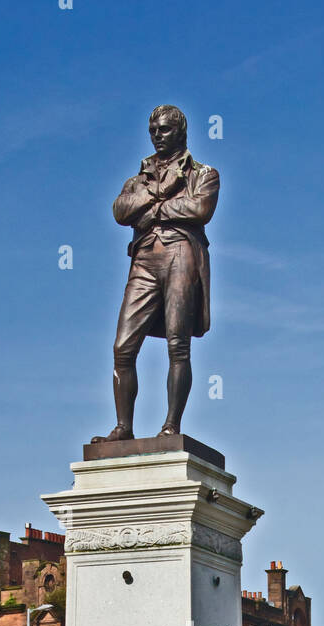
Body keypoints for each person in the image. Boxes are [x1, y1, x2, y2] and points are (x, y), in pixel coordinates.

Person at [92, 105, 220, 443]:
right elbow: (120, 210)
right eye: (152, 131)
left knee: (178, 345)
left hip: (181, 255)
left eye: (163, 130)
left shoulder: (203, 173)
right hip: (145, 261)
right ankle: (124, 427)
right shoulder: (139, 179)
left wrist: (153, 213)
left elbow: (199, 209)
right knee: (122, 347)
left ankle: (171, 426)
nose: (157, 137)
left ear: (180, 130)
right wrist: (159, 192)